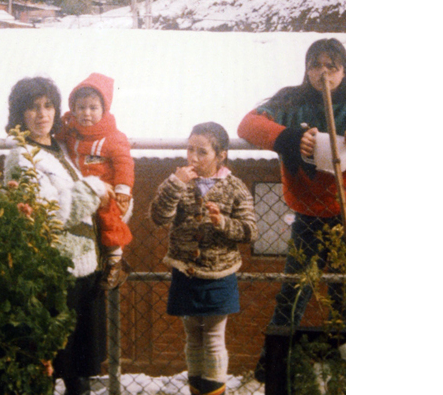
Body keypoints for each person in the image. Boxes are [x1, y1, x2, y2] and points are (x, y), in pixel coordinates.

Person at [237, 38, 346, 383]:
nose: (324, 73)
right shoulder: (291, 99)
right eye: (316, 65)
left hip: (350, 216)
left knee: (347, 294)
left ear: (344, 69)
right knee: (294, 292)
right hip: (309, 216)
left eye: (333, 65)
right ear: (306, 68)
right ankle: (274, 363)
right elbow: (248, 125)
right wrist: (289, 139)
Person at [4, 76, 112, 395]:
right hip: (54, 272)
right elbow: (51, 214)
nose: (42, 114)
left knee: (79, 373)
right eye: (32, 108)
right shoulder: (21, 157)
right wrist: (95, 189)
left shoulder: (61, 147)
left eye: (48, 105)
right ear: (19, 115)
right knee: (50, 369)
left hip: (84, 268)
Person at [150, 122, 258, 395]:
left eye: (202, 152)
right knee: (193, 337)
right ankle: (197, 391)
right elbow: (159, 218)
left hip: (219, 274)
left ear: (220, 154)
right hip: (185, 271)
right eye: (190, 149)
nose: (193, 158)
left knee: (212, 337)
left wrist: (222, 222)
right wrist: (175, 185)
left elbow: (250, 231)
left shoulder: (235, 187)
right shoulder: (178, 181)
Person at [58, 73, 135, 290]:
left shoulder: (112, 137)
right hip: (82, 190)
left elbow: (124, 164)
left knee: (108, 218)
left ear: (103, 110)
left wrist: (123, 191)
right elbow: (58, 138)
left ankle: (115, 262)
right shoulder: (72, 131)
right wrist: (63, 123)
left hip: (107, 190)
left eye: (93, 108)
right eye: (80, 107)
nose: (86, 113)